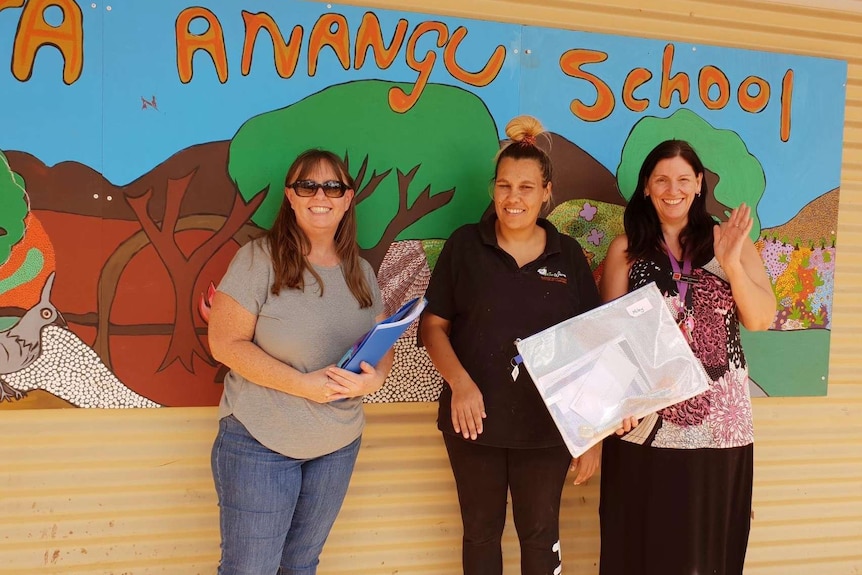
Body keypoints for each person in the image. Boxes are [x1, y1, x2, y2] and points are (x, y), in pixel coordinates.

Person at [420, 115, 610, 575]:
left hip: (548, 426)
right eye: (504, 185)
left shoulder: (567, 255)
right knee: (481, 534)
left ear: (546, 192)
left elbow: (592, 348)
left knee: (540, 535)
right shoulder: (466, 246)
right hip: (474, 421)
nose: (513, 198)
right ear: (493, 189)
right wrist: (460, 384)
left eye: (526, 187)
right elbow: (432, 327)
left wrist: (592, 434)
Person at [207, 149, 394, 575]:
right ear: (290, 197)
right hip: (260, 442)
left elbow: (383, 345)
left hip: (336, 447)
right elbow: (225, 343)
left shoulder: (361, 272)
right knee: (249, 569)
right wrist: (301, 385)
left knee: (301, 566)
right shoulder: (257, 259)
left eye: (333, 186)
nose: (320, 195)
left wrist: (373, 382)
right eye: (307, 185)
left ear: (348, 199)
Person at [598, 139, 776, 575]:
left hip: (719, 427)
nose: (671, 189)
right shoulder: (627, 249)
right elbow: (607, 338)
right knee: (642, 546)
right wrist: (617, 404)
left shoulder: (728, 240)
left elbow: (760, 319)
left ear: (698, 184)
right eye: (661, 179)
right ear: (646, 188)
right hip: (645, 425)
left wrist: (732, 263)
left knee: (706, 551)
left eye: (682, 178)